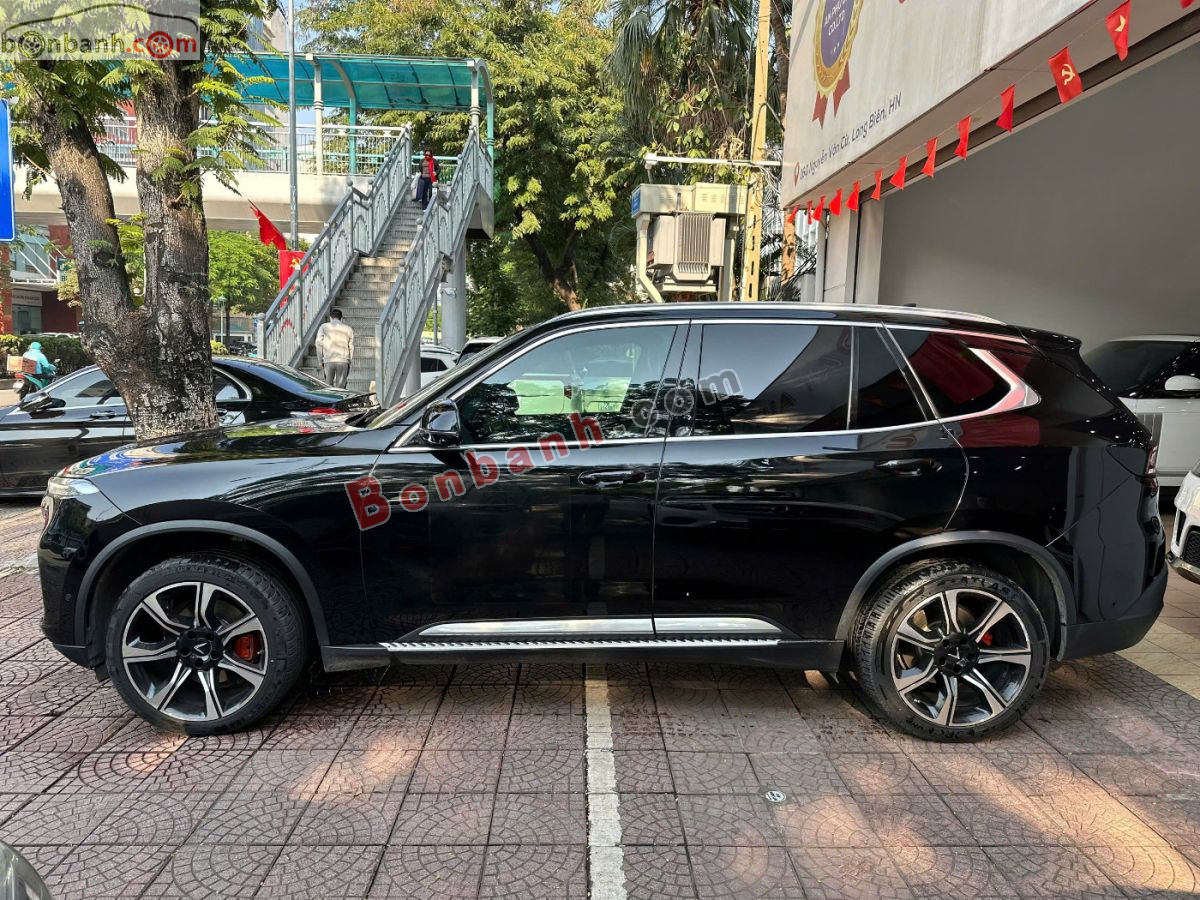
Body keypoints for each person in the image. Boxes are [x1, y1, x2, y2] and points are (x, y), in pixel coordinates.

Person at [315, 309, 354, 388]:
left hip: (328, 360)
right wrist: (349, 360)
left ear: (330, 318)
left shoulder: (324, 327)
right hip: (343, 360)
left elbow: (318, 343)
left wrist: (320, 360)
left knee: (328, 386)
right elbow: (351, 347)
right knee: (341, 388)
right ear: (341, 318)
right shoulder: (349, 329)